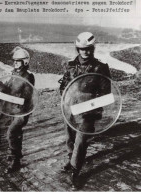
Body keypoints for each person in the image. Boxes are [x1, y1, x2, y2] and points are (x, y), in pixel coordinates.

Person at [59, 32, 111, 187]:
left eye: (88, 48)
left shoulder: (100, 67)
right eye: (82, 49)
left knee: (81, 141)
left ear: (92, 48)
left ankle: (76, 170)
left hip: (88, 111)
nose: (85, 52)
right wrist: (66, 97)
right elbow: (63, 86)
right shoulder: (70, 65)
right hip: (70, 109)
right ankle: (71, 158)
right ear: (77, 49)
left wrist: (90, 105)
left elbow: (106, 93)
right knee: (70, 137)